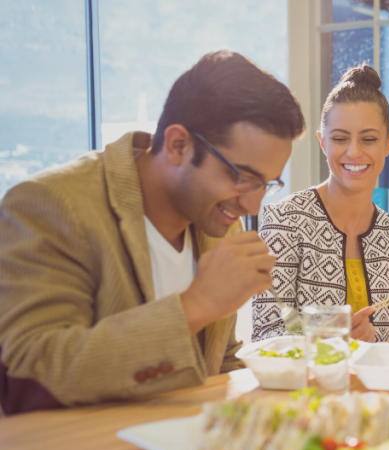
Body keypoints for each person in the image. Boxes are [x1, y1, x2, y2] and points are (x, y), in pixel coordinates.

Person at [0, 51, 305, 415]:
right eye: (242, 178)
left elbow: (218, 363)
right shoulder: (52, 204)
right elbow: (27, 375)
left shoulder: (219, 222)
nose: (252, 206)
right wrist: (196, 304)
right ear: (178, 145)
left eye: (266, 185)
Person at [253, 65, 389, 344]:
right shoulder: (285, 221)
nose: (353, 152)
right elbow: (267, 336)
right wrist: (327, 335)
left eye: (369, 139)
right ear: (323, 142)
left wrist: (371, 338)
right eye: (340, 139)